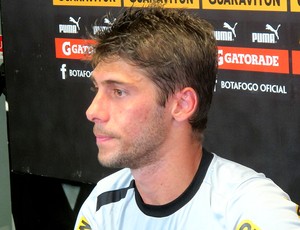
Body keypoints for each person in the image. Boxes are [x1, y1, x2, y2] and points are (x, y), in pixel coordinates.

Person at [74, 7, 300, 230]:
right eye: (97, 89)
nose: (93, 111)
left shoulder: (252, 210)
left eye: (118, 92)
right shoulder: (102, 206)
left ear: (182, 105)